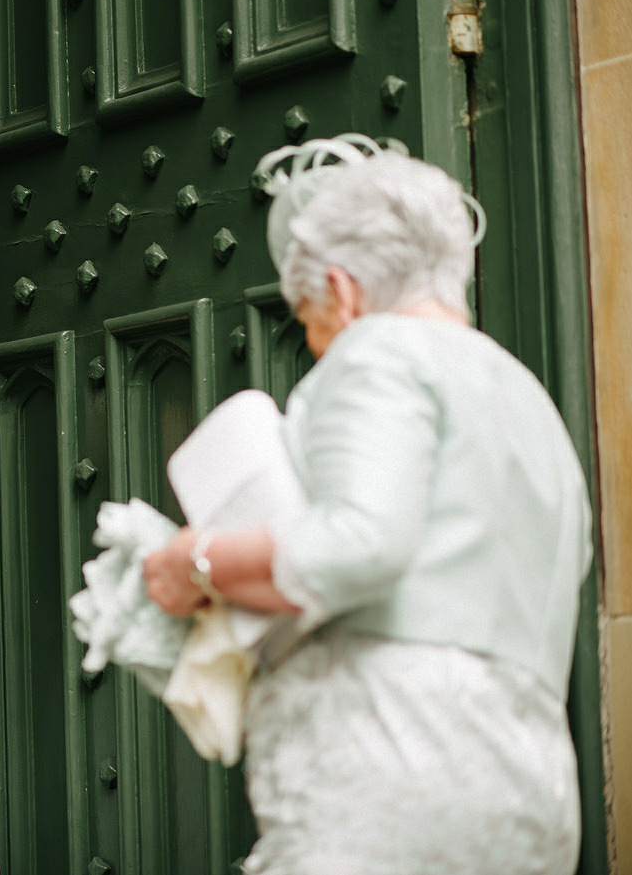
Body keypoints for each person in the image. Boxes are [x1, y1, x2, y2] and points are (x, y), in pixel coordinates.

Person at [142, 136, 592, 875]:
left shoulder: (378, 348)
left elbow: (361, 543)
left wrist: (197, 560)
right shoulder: (531, 401)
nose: (318, 344)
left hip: (391, 754)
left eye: (308, 317)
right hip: (532, 784)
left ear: (342, 289)